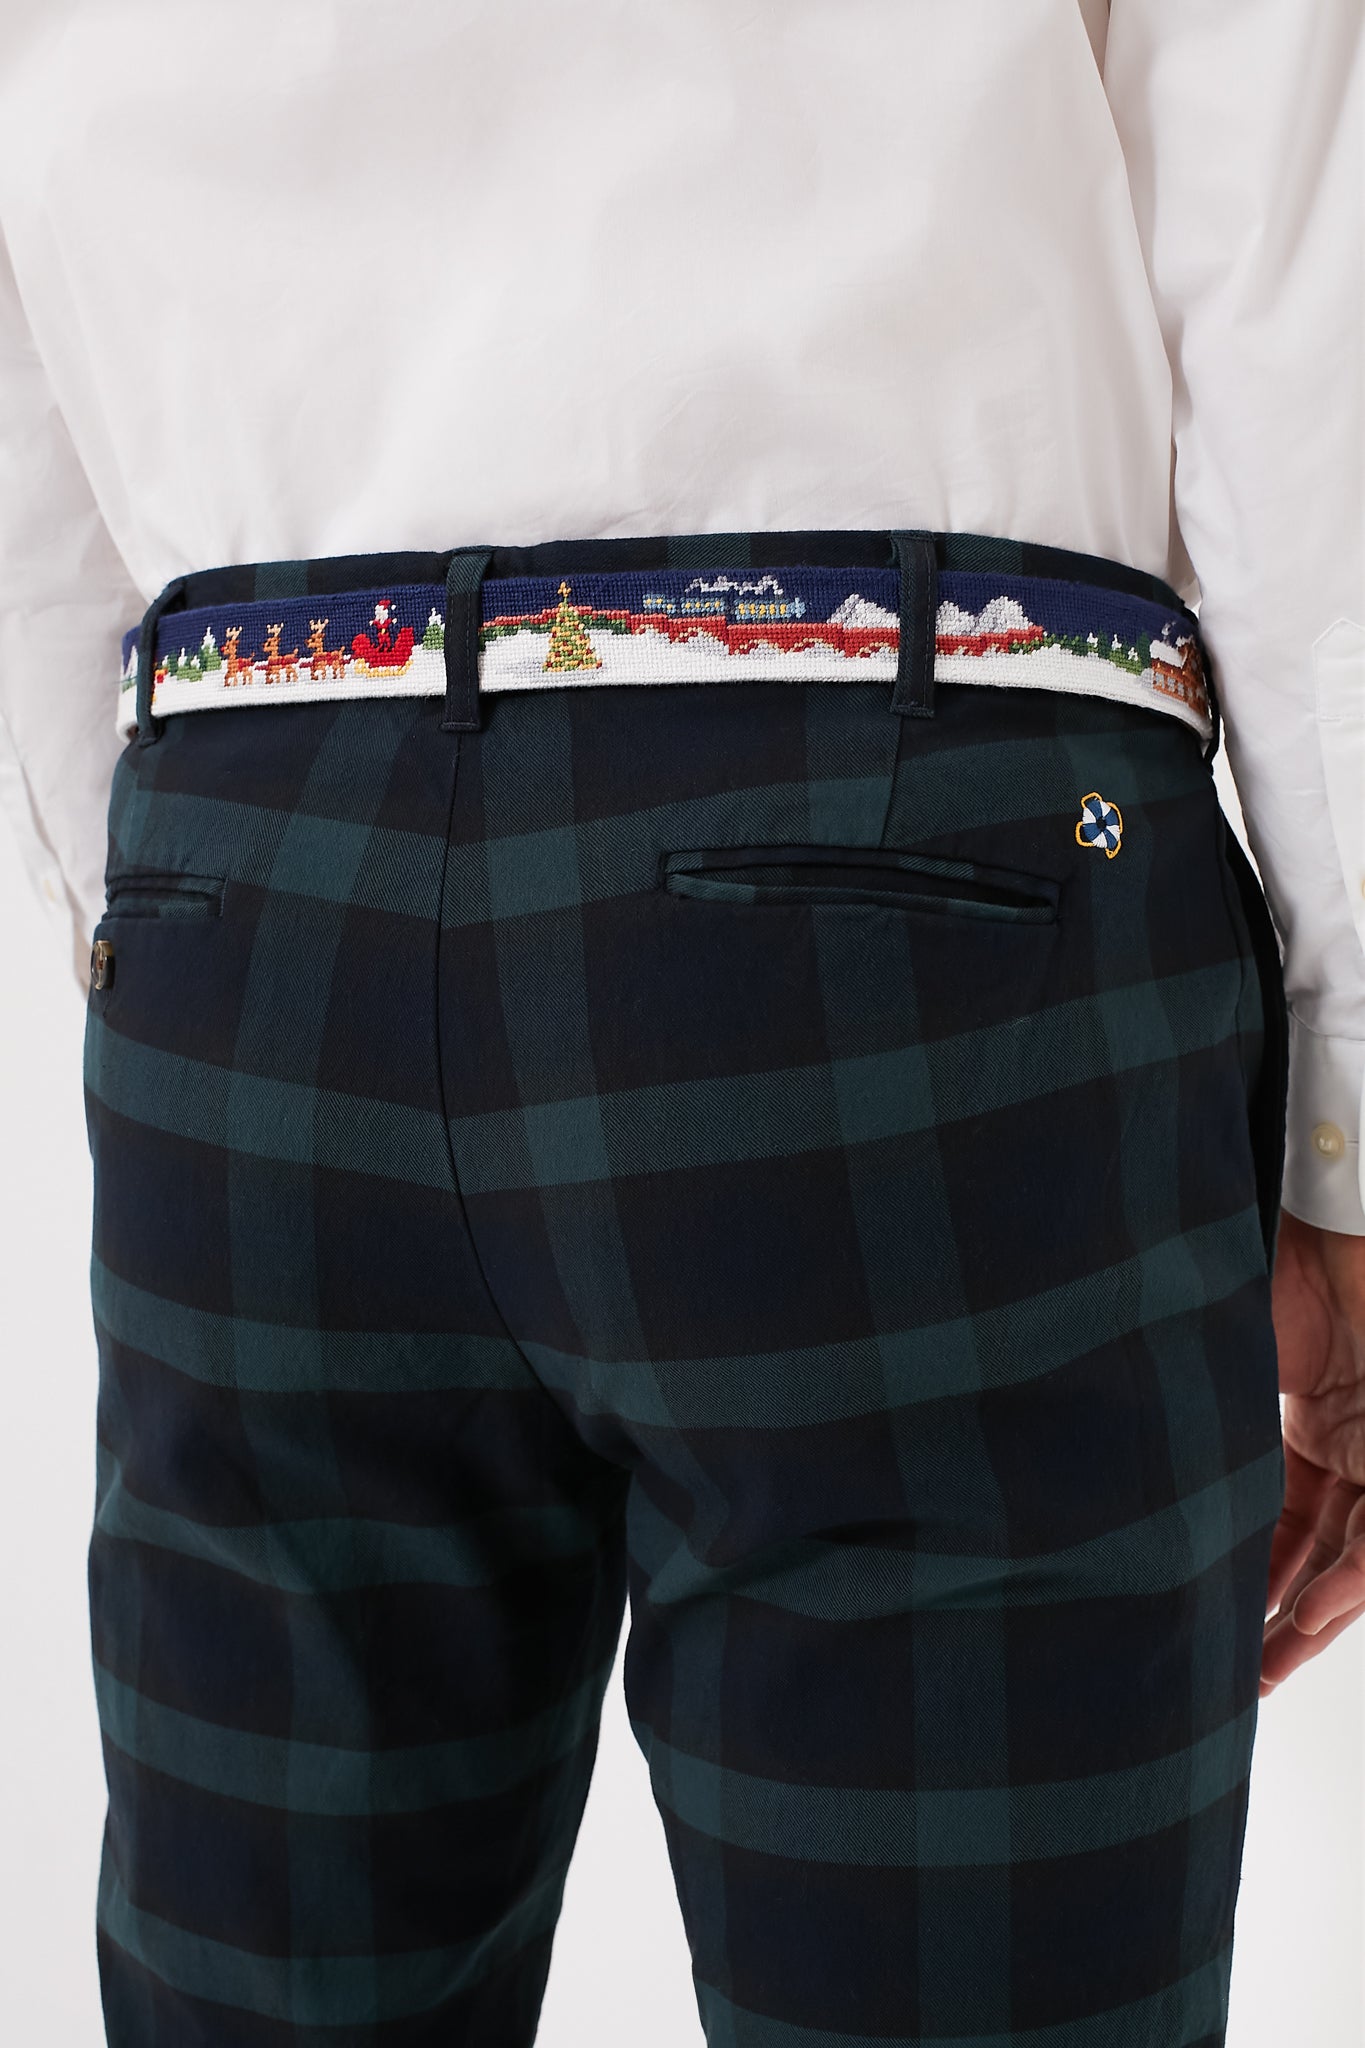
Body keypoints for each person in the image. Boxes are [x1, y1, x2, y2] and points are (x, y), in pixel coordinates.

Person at [1, 5, 1361, 2044]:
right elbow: (1286, 271)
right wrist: (1347, 1115)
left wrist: (151, 923)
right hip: (915, 879)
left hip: (252, 861)